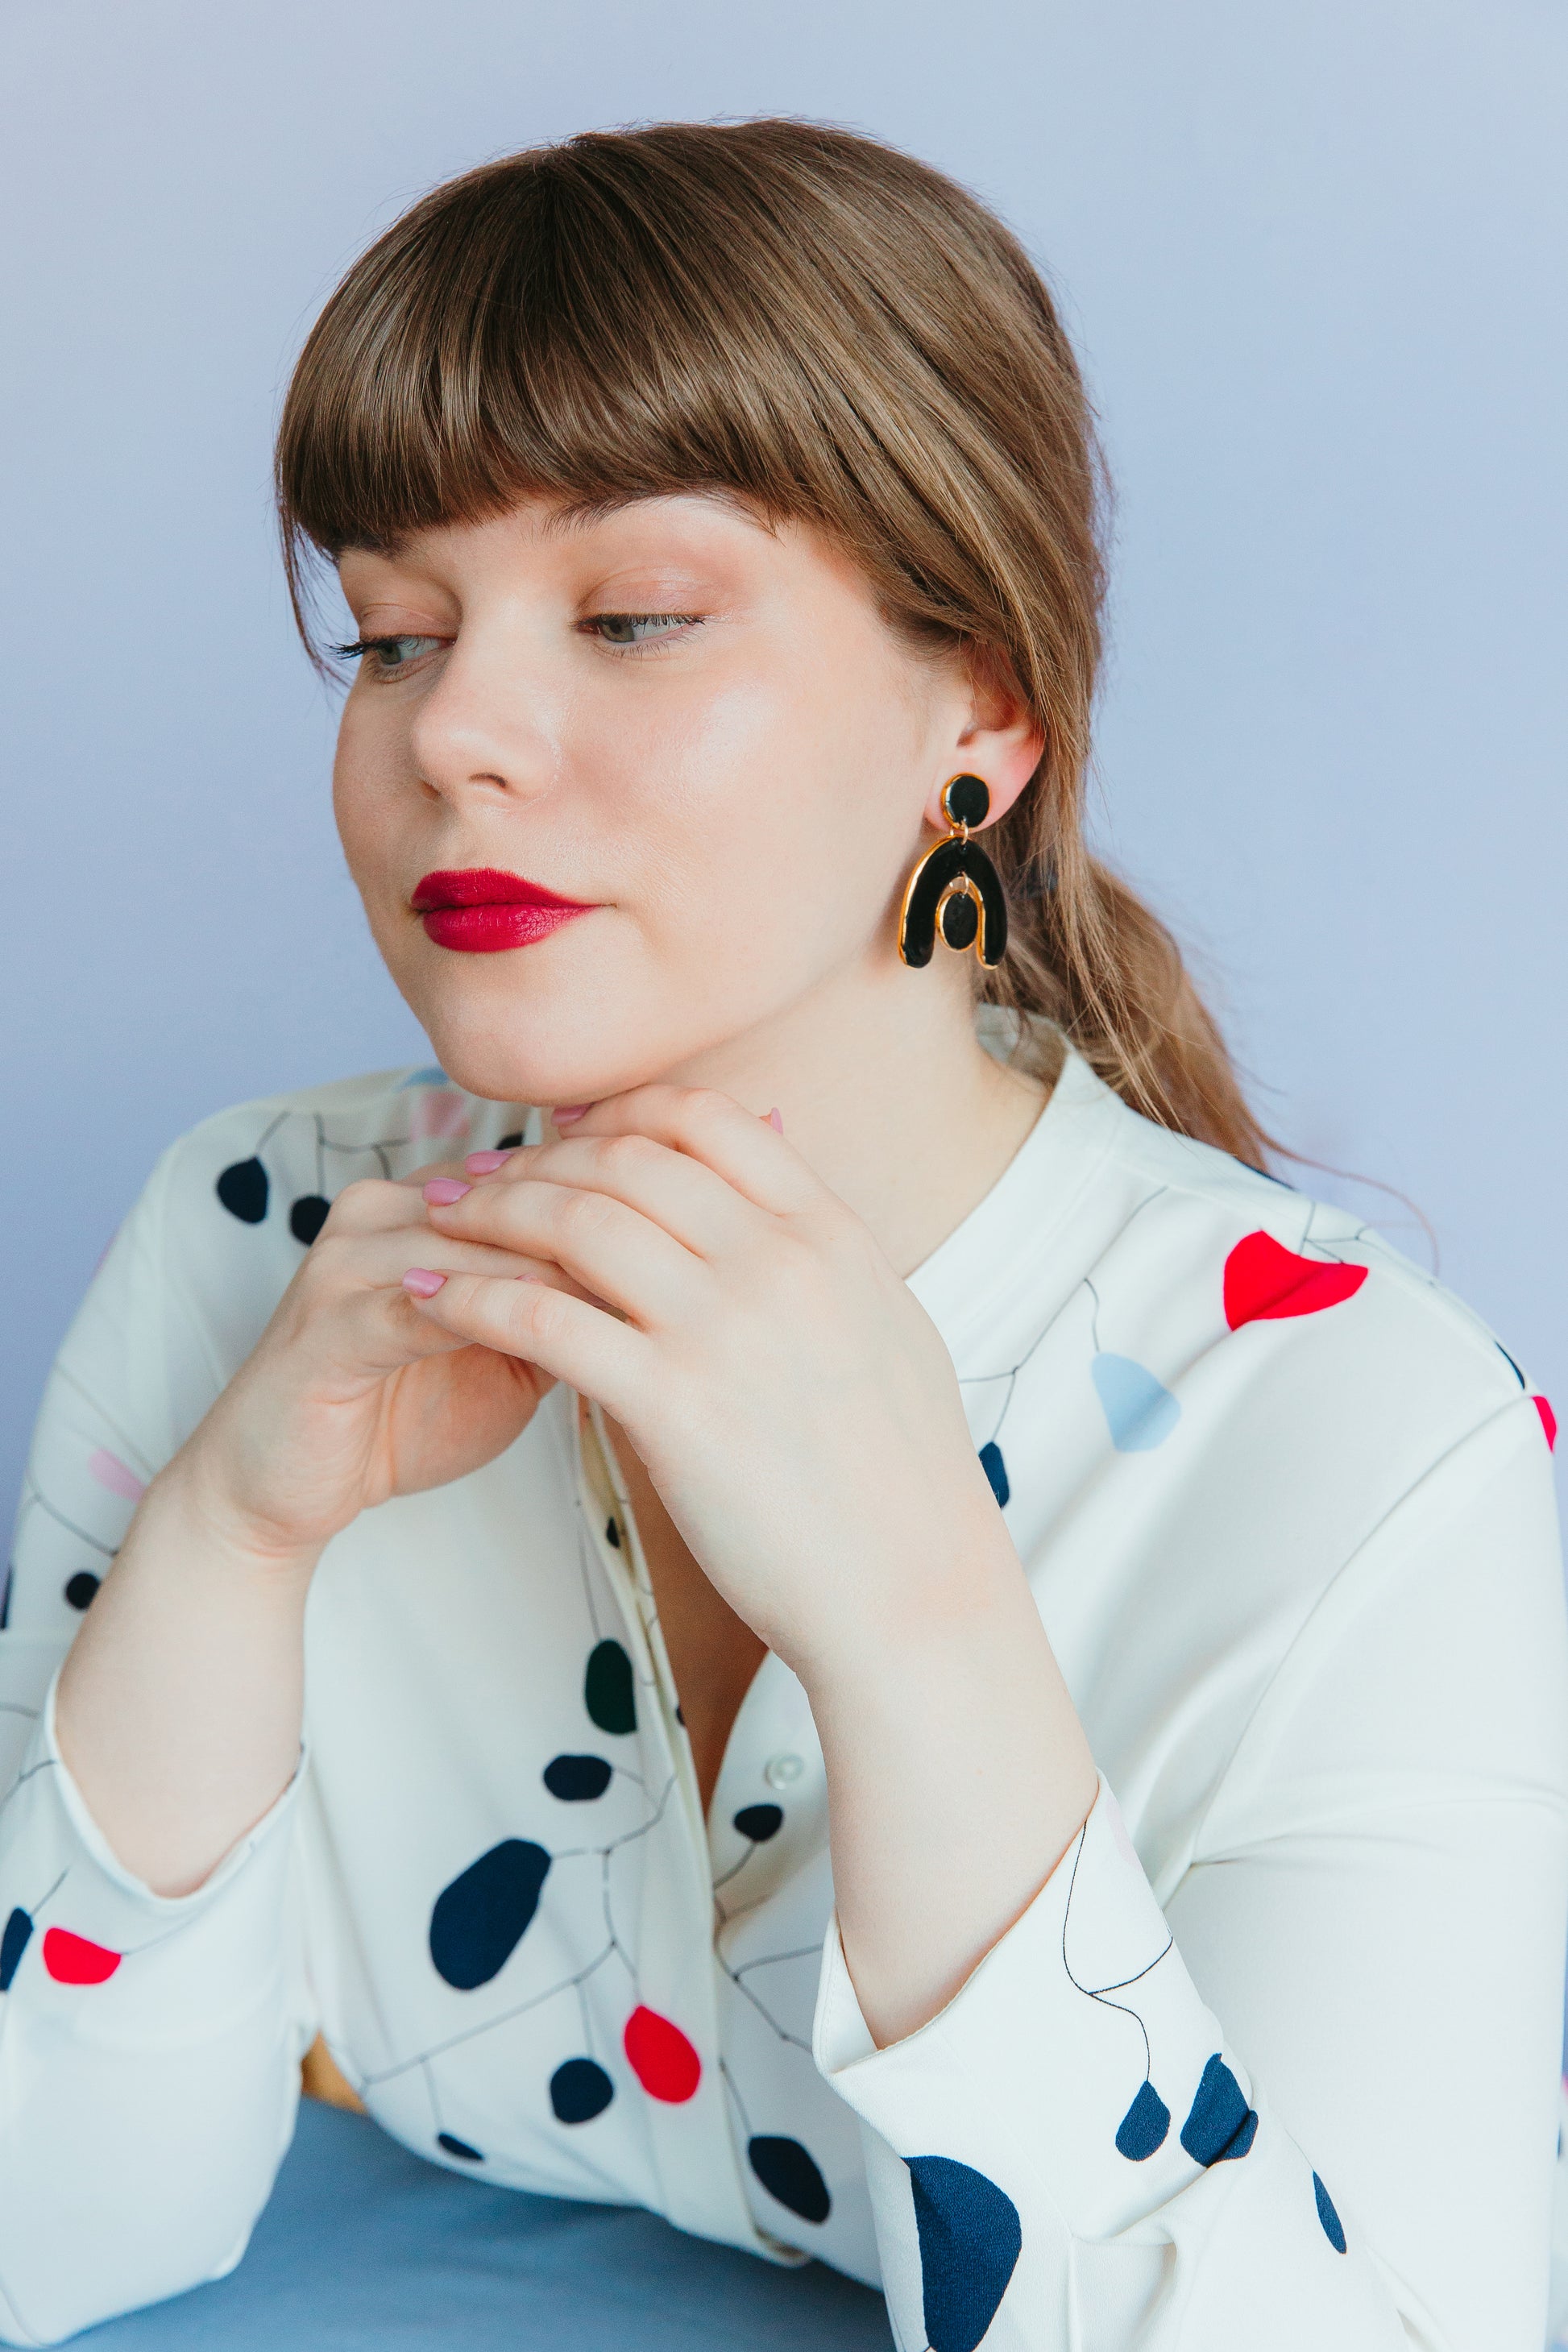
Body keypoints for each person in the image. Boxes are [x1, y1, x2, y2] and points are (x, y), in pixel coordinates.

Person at [1, 118, 1563, 2352]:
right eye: (384, 636)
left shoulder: (1345, 1435)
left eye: (633, 616)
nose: (457, 732)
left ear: (981, 718)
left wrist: (921, 1620)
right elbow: (40, 2226)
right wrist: (225, 1550)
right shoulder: (260, 1240)